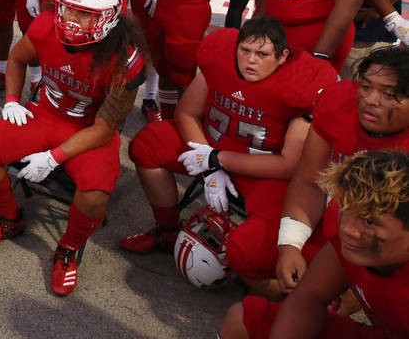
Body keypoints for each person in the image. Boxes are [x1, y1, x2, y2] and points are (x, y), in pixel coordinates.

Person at [122, 17, 336, 298]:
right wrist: (207, 161)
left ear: (283, 56)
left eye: (262, 54)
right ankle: (167, 230)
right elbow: (187, 113)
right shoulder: (220, 59)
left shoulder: (299, 84)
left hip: (262, 172)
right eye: (245, 51)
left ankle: (278, 293)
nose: (251, 60)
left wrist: (217, 160)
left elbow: (289, 164)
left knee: (248, 251)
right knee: (147, 144)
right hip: (210, 147)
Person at [0, 0, 147, 296]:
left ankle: (67, 249)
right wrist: (11, 100)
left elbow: (106, 128)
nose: (73, 19)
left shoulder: (125, 58)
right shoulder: (46, 25)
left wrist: (54, 158)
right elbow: (18, 59)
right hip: (45, 114)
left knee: (94, 196)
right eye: (69, 9)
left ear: (109, 18)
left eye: (86, 14)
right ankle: (10, 218)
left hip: (89, 130)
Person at [221, 149, 409, 339]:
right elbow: (309, 297)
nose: (349, 229)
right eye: (347, 208)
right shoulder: (349, 233)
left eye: (369, 221)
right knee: (246, 319)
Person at [274, 46, 409, 298]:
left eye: (389, 94)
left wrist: (360, 287)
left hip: (388, 253)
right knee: (248, 251)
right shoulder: (340, 101)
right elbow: (310, 180)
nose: (370, 99)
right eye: (367, 87)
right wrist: (290, 243)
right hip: (337, 226)